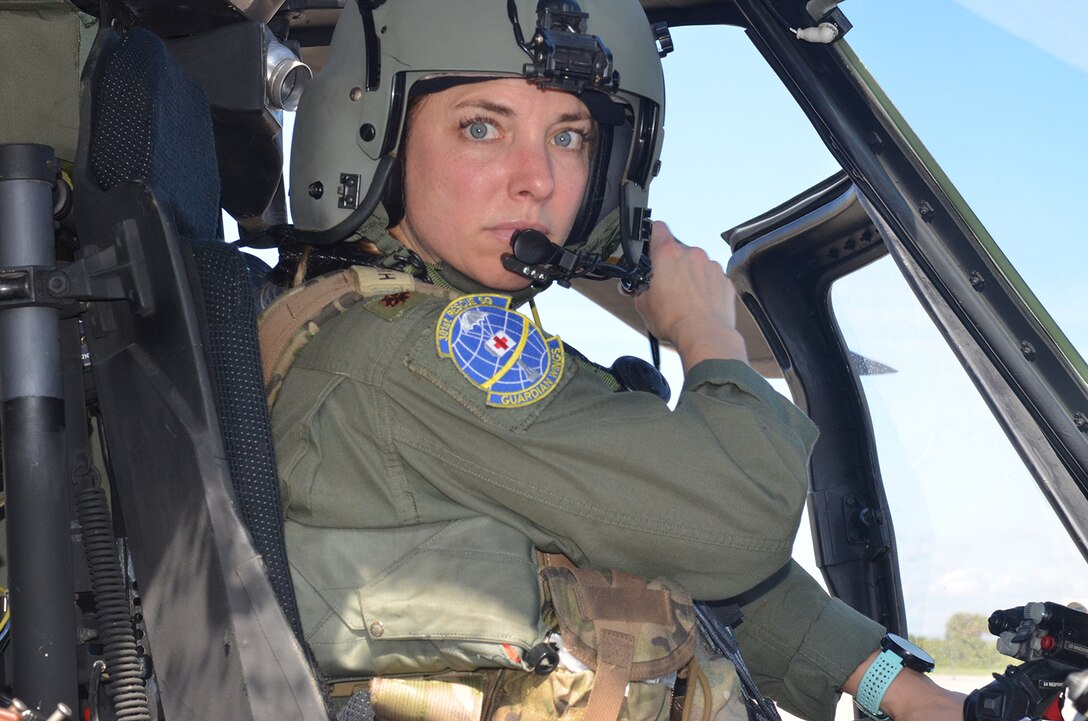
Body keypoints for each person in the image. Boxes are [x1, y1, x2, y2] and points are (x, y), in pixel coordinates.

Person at [265, 1, 967, 720]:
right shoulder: (408, 351)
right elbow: (736, 522)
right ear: (375, 138)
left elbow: (676, 541)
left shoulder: (407, 340)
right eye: (482, 127)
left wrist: (901, 692)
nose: (537, 179)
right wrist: (706, 333)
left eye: (568, 136)